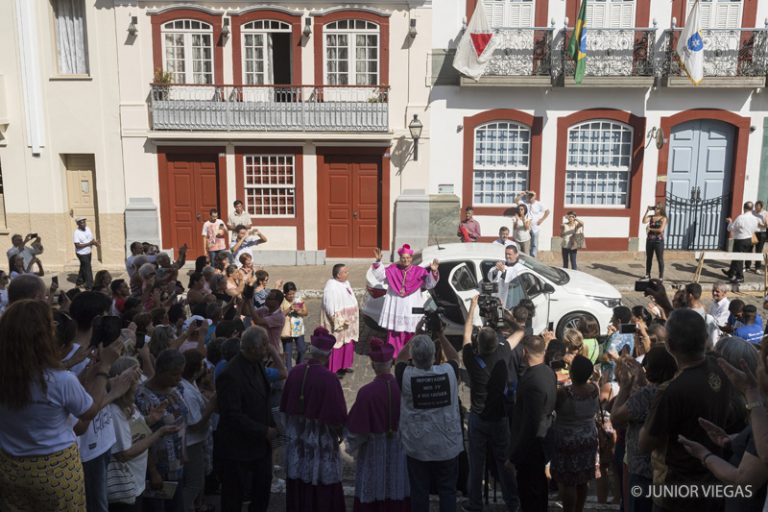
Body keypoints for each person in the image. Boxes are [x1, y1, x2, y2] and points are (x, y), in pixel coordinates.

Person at [0, 300, 129, 512]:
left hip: (10, 469)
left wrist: (85, 373)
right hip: (55, 471)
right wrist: (104, 366)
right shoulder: (59, 380)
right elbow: (89, 412)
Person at [639, 309, 743, 512]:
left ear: (669, 345)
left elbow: (645, 443)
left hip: (678, 489)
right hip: (714, 478)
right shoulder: (719, 365)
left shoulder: (671, 390)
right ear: (705, 339)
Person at [461, 297, 520, 512]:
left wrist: (471, 308)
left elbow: (466, 334)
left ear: (479, 344)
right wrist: (505, 313)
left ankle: (475, 503)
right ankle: (512, 502)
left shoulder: (471, 358)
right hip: (499, 417)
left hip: (478, 417)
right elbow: (520, 331)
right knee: (504, 462)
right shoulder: (503, 352)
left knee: (476, 463)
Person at [280, 327, 348, 512]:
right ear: (328, 355)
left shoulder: (295, 372)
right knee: (319, 480)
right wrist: (340, 434)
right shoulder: (329, 379)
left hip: (297, 437)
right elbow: (338, 417)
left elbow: (284, 408)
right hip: (319, 439)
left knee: (299, 476)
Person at [396, 332, 462, 512]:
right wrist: (441, 334)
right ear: (433, 355)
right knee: (447, 491)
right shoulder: (448, 372)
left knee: (419, 492)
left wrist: (415, 335)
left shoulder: (406, 375)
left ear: (413, 357)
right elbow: (455, 358)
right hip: (446, 445)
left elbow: (399, 359)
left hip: (418, 445)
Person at [214, 327, 277, 512]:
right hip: (238, 449)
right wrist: (264, 431)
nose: (267, 348)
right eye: (264, 345)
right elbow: (232, 415)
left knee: (261, 493)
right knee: (233, 498)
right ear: (252, 348)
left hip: (260, 446)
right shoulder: (230, 374)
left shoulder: (257, 364)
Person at [346, 337, 410, 512]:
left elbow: (355, 432)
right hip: (399, 450)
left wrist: (352, 447)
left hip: (373, 452)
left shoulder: (366, 393)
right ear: (391, 363)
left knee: (373, 490)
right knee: (396, 487)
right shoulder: (404, 389)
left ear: (373, 365)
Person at [107, 356, 179, 512]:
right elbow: (125, 454)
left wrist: (150, 419)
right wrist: (158, 433)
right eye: (136, 377)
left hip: (136, 483)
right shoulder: (115, 411)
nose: (140, 382)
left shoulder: (128, 404)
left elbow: (132, 431)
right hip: (124, 489)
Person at [611, 348, 678, 512]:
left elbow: (616, 418)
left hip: (643, 469)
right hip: (670, 468)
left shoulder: (648, 394)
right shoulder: (676, 389)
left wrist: (625, 387)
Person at [134, 349, 189, 512]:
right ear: (161, 372)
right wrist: (152, 471)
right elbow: (140, 435)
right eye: (174, 374)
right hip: (157, 468)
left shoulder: (177, 388)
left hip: (177, 465)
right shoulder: (141, 396)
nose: (179, 378)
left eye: (181, 373)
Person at [508, 334, 557, 512]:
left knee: (530, 496)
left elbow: (531, 424)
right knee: (538, 492)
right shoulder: (548, 372)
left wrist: (514, 456)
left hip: (532, 449)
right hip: (541, 444)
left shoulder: (532, 382)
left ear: (524, 352)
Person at [370, 244, 439, 357]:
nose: (406, 260)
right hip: (396, 306)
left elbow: (429, 284)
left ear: (411, 258)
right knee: (395, 332)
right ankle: (395, 355)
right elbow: (380, 276)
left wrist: (434, 272)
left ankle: (411, 355)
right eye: (403, 258)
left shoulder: (419, 271)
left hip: (412, 306)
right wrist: (378, 261)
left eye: (408, 258)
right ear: (400, 258)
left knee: (411, 331)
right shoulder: (393, 269)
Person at [550, 355, 599, 512]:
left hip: (568, 440)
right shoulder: (594, 389)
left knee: (569, 481)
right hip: (588, 438)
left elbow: (549, 407)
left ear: (572, 373)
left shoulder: (564, 393)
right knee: (583, 479)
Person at [178, 350, 217, 512]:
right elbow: (194, 425)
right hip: (192, 442)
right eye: (202, 365)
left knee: (197, 480)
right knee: (194, 483)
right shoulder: (187, 391)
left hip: (195, 441)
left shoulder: (191, 384)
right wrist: (211, 407)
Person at [321, 263, 360, 376]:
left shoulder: (346, 283)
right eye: (345, 272)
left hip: (348, 321)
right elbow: (329, 304)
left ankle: (344, 365)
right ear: (338, 275)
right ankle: (334, 368)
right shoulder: (331, 287)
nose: (348, 273)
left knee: (347, 342)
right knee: (337, 343)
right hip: (338, 321)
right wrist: (335, 318)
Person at [723, 201, 761, 284]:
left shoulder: (741, 217)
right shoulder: (755, 218)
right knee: (737, 257)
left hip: (740, 240)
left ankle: (740, 277)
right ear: (752, 208)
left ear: (744, 208)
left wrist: (730, 222)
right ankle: (731, 272)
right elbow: (755, 229)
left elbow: (730, 228)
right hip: (749, 240)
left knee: (739, 258)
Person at [281, 282, 308, 371]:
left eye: (293, 293)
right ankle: (289, 372)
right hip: (287, 330)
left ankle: (299, 367)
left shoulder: (298, 299)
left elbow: (306, 312)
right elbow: (279, 315)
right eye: (289, 294)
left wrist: (299, 312)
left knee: (302, 349)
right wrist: (289, 309)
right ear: (285, 293)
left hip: (298, 329)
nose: (291, 296)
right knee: (288, 353)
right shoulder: (281, 301)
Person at [487, 245, 523, 309]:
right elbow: (490, 277)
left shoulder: (520, 268)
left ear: (516, 255)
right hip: (497, 298)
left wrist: (503, 272)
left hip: (510, 300)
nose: (507, 256)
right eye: (506, 254)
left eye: (509, 254)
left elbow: (514, 281)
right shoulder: (502, 263)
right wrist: (496, 270)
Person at [517, 191, 550, 257]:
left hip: (535, 227)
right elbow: (516, 201)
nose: (530, 197)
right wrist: (521, 195)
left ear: (535, 196)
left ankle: (533, 257)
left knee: (534, 243)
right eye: (529, 195)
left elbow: (547, 211)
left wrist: (541, 220)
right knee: (525, 242)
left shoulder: (539, 204)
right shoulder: (524, 203)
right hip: (526, 226)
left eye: (532, 196)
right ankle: (525, 257)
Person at [642, 203, 667, 281]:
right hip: (650, 240)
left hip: (658, 241)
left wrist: (650, 229)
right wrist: (647, 211)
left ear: (661, 209)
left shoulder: (663, 218)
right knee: (649, 258)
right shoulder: (651, 217)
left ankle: (660, 277)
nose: (656, 209)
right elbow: (643, 221)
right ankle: (647, 274)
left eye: (658, 208)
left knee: (660, 259)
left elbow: (660, 230)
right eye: (655, 208)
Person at [73, 216, 99, 289]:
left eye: (84, 222)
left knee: (83, 267)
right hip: (81, 254)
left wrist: (95, 243)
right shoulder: (76, 233)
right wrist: (89, 243)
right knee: (87, 269)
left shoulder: (88, 229)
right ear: (78, 224)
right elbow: (77, 245)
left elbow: (91, 239)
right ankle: (90, 285)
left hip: (88, 252)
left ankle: (79, 282)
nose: (84, 224)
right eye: (81, 223)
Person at [746, 199, 767, 274]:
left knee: (759, 251)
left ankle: (757, 268)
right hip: (753, 233)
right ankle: (747, 266)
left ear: (761, 207)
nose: (756, 208)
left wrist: (759, 224)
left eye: (758, 206)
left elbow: (766, 225)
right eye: (755, 206)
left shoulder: (765, 213)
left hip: (761, 234)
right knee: (749, 249)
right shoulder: (752, 212)